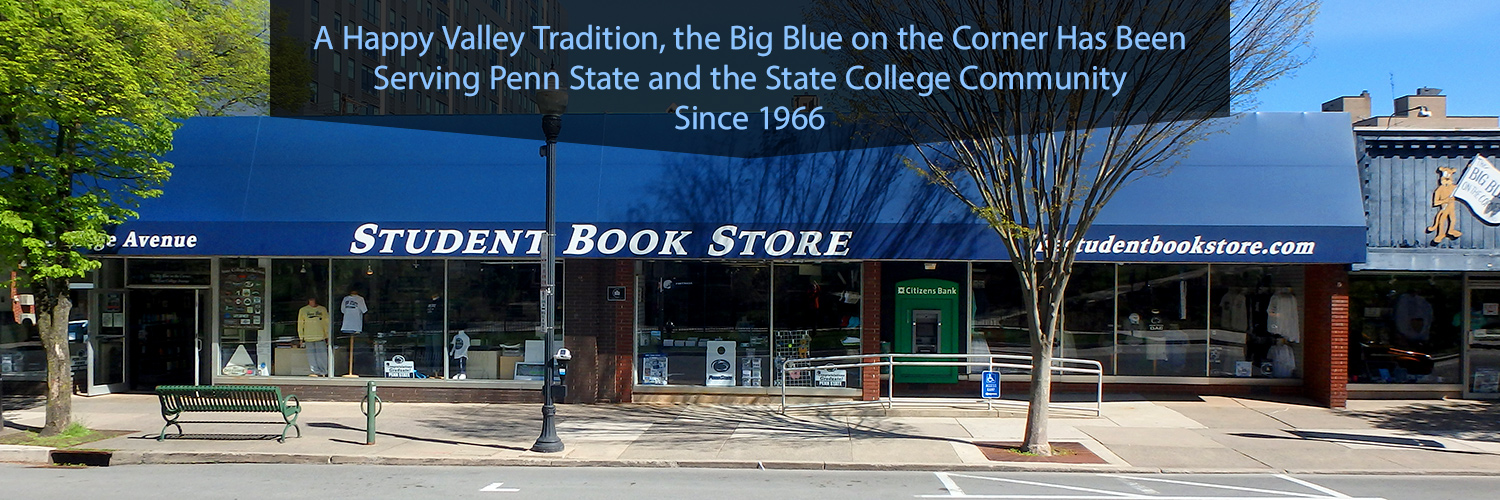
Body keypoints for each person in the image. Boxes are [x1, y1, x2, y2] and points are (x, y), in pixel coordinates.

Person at [296, 298, 331, 376]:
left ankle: (324, 371)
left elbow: (326, 323)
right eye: (310, 300)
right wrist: (301, 337)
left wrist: (327, 335)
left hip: (320, 336)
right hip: (308, 336)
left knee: (322, 355)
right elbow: (300, 324)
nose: (312, 301)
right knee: (311, 355)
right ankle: (315, 371)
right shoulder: (303, 310)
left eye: (313, 300)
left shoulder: (322, 309)